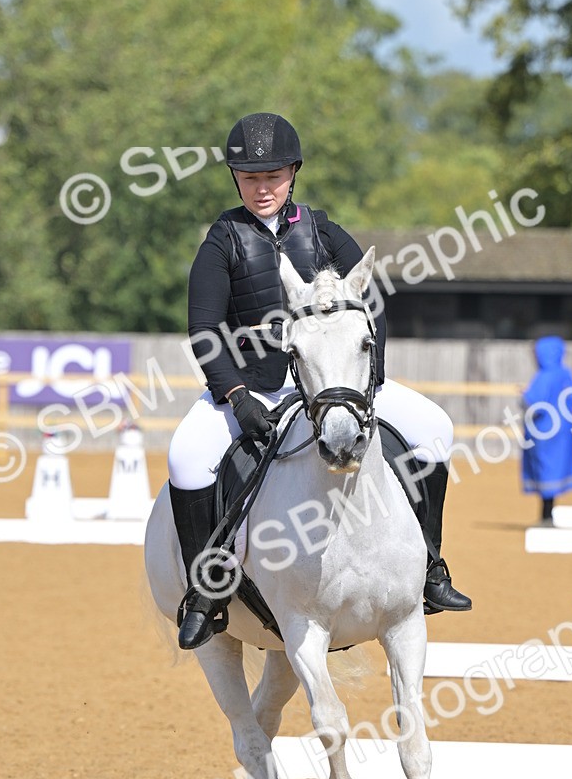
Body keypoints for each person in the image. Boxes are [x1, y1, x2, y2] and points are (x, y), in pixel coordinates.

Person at [168, 112, 471, 649]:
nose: (262, 188)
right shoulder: (223, 240)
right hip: (256, 388)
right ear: (236, 179)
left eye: (273, 176)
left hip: (336, 384)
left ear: (293, 174)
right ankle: (204, 595)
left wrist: (367, 384)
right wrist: (235, 396)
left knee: (435, 429)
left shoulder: (322, 231)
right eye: (250, 178)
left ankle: (430, 567)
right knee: (186, 458)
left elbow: (371, 305)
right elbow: (204, 330)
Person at [520, 335, 572, 525]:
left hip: (543, 432)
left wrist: (524, 396)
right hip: (563, 434)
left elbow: (533, 402)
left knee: (545, 470)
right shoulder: (566, 374)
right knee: (555, 470)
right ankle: (548, 513)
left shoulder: (544, 377)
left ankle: (546, 516)